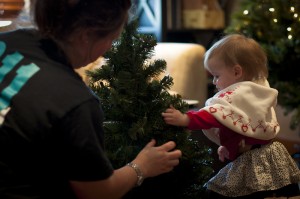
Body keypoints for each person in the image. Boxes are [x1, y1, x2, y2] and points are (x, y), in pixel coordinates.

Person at [0, 0, 182, 199]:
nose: (108, 50)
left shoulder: (6, 40)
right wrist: (142, 166)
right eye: (112, 39)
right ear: (86, 36)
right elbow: (98, 193)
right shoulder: (74, 101)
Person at [162, 34, 300, 198]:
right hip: (266, 154)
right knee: (270, 188)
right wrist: (229, 146)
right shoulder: (257, 90)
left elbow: (213, 116)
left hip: (253, 162)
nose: (214, 82)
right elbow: (242, 129)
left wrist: (186, 119)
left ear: (236, 72)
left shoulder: (238, 94)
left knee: (230, 192)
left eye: (217, 76)